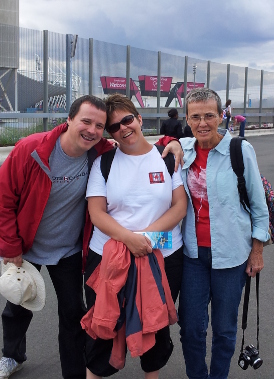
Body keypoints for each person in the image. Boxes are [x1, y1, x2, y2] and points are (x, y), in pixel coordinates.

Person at [0, 94, 182, 379]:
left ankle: (74, 374)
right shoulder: (31, 149)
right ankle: (11, 355)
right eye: (87, 121)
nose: (93, 130)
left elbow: (138, 149)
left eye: (99, 125)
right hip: (28, 244)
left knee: (73, 314)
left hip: (68, 249)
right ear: (69, 119)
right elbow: (4, 198)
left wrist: (172, 141)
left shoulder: (97, 151)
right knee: (17, 305)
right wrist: (10, 245)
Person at [82, 93, 188, 379]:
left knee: (154, 326)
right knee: (103, 328)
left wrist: (147, 238)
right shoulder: (103, 163)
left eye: (127, 119)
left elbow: (180, 205)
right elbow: (97, 212)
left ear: (139, 119)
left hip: (163, 255)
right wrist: (129, 240)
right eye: (114, 126)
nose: (123, 128)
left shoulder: (165, 157)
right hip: (108, 259)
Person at [178, 88, 270, 379]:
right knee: (191, 327)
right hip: (192, 255)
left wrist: (257, 250)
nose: (202, 122)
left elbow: (258, 205)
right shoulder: (183, 148)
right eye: (195, 117)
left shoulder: (239, 150)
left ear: (221, 115)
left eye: (209, 115)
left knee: (225, 328)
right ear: (187, 119)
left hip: (232, 256)